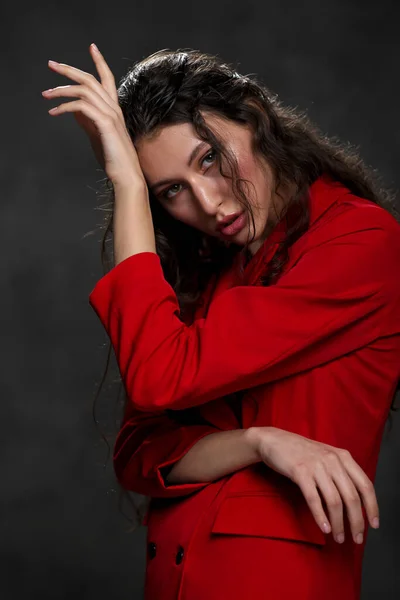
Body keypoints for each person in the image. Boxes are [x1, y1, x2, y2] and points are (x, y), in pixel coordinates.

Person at [43, 44, 400, 600]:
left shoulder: (360, 243)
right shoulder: (213, 271)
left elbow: (163, 377)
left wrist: (128, 188)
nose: (208, 204)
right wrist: (258, 442)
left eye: (209, 158)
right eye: (170, 191)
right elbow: (139, 453)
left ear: (254, 118)